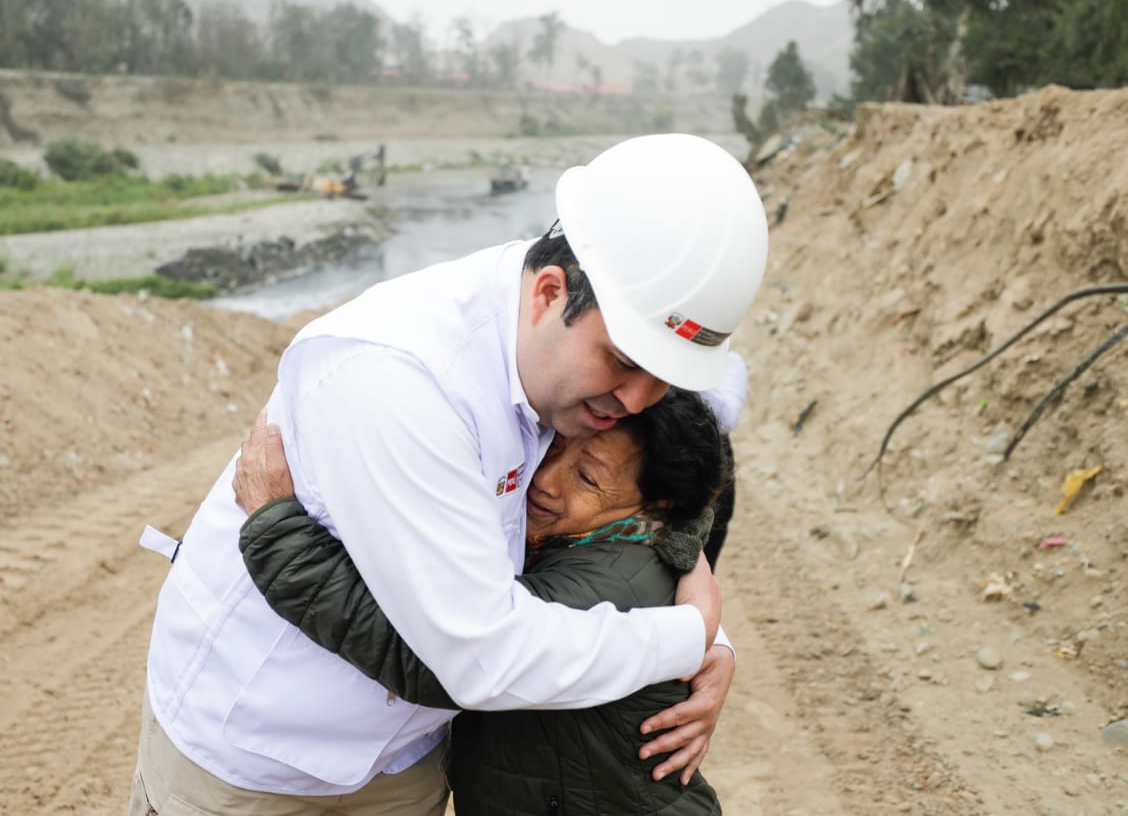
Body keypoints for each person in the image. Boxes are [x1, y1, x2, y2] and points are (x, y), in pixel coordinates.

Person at [130, 134, 768, 814]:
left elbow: (643, 506)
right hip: (255, 759)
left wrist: (704, 622)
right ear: (550, 293)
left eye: (662, 378)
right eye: (622, 362)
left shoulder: (573, 374)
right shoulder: (403, 381)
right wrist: (687, 635)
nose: (638, 400)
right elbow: (480, 654)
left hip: (404, 765)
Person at [237, 388, 733, 814]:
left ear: (656, 505)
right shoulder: (609, 535)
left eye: (586, 478)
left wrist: (280, 535)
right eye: (555, 444)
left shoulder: (599, 583)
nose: (545, 478)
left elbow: (437, 661)